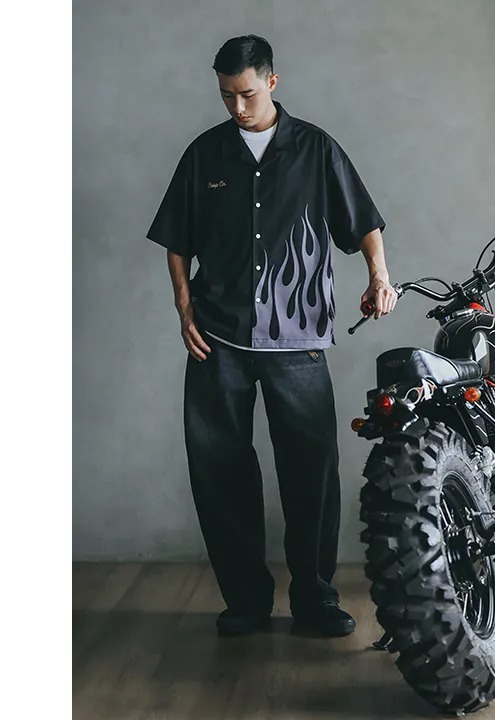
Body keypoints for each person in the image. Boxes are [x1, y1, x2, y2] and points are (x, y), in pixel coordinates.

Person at [146, 34, 397, 638]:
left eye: (247, 94)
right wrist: (183, 305)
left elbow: (363, 222)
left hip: (298, 337)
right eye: (226, 96)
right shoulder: (205, 154)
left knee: (312, 473)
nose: (237, 107)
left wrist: (379, 276)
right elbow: (176, 236)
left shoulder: (315, 149)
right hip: (218, 338)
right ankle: (246, 603)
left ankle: (315, 600)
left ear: (272, 83)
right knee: (219, 471)